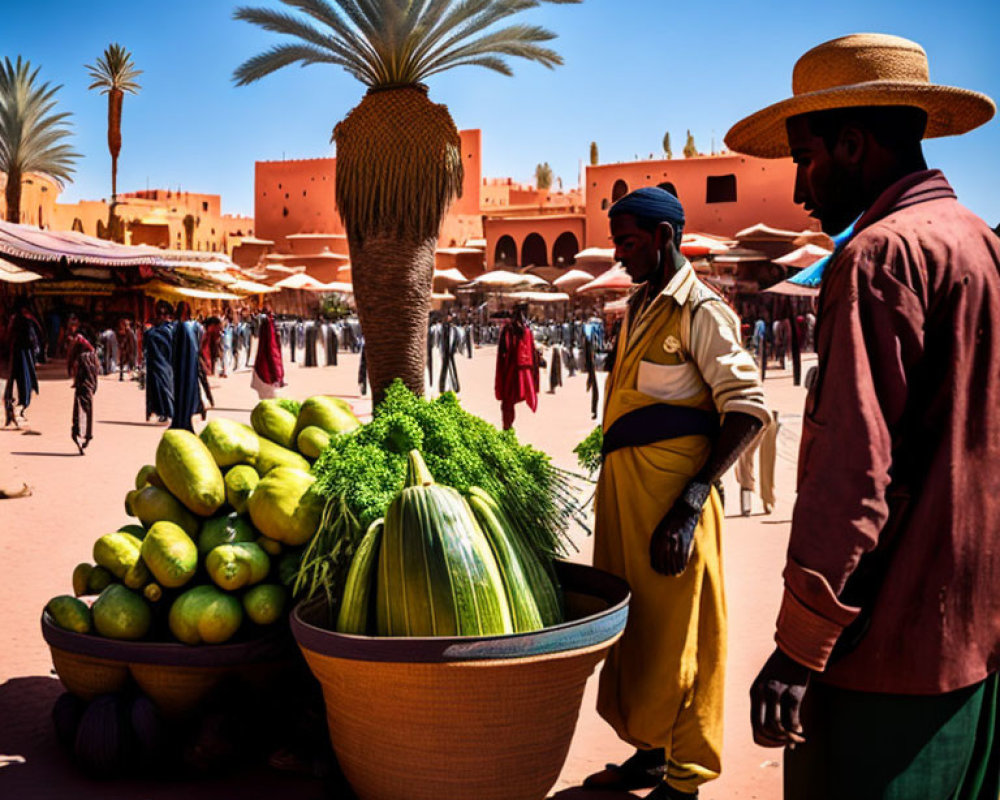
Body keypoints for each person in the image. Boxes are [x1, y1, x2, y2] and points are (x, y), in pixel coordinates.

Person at [725, 33, 1000, 799]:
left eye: (804, 160)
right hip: (974, 639)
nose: (802, 191)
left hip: (886, 661)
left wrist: (798, 649)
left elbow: (854, 472)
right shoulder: (981, 243)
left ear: (852, 145)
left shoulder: (877, 258)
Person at [584, 187, 768, 799]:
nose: (621, 255)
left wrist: (691, 503)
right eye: (618, 242)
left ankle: (686, 776)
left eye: (630, 242)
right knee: (639, 635)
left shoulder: (701, 311)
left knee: (684, 640)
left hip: (671, 511)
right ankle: (652, 752)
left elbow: (747, 409)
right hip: (626, 509)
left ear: (664, 239)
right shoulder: (639, 306)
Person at [494, 305, 539, 430]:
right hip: (519, 371)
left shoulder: (511, 332)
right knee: (508, 402)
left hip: (512, 372)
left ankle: (507, 427)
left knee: (507, 402)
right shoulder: (524, 332)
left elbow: (504, 354)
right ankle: (507, 427)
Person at [3, 299, 43, 428]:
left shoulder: (14, 320)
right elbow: (35, 339)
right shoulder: (28, 321)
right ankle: (19, 409)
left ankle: (13, 412)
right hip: (24, 355)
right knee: (24, 382)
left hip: (15, 354)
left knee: (12, 384)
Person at [171, 302, 205, 432]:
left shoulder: (187, 326)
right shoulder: (187, 327)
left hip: (186, 365)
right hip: (184, 365)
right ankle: (183, 419)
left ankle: (184, 419)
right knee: (184, 392)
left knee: (185, 392)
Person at [66, 327, 99, 453]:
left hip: (82, 389)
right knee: (86, 413)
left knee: (80, 415)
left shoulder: (80, 357)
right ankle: (85, 438)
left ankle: (80, 437)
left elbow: (74, 370)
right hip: (89, 389)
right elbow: (96, 375)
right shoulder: (93, 355)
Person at [144, 301, 174, 423]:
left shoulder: (170, 330)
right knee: (155, 389)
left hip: (166, 365)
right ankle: (159, 412)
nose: (161, 316)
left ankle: (168, 413)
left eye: (164, 314)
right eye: (159, 313)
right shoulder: (152, 331)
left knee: (165, 389)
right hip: (153, 364)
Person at [251, 308, 285, 399]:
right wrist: (278, 376)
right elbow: (272, 352)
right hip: (267, 374)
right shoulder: (269, 327)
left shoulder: (266, 325)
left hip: (261, 371)